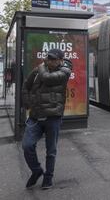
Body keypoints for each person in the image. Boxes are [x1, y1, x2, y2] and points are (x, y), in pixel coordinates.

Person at [21, 49, 72, 189]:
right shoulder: (39, 70)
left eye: (54, 59)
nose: (50, 61)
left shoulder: (65, 71)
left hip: (53, 117)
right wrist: (27, 103)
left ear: (61, 60)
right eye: (49, 58)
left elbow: (47, 78)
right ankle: (37, 171)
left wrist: (41, 67)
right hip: (36, 116)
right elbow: (26, 85)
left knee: (51, 151)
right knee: (27, 145)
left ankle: (48, 178)